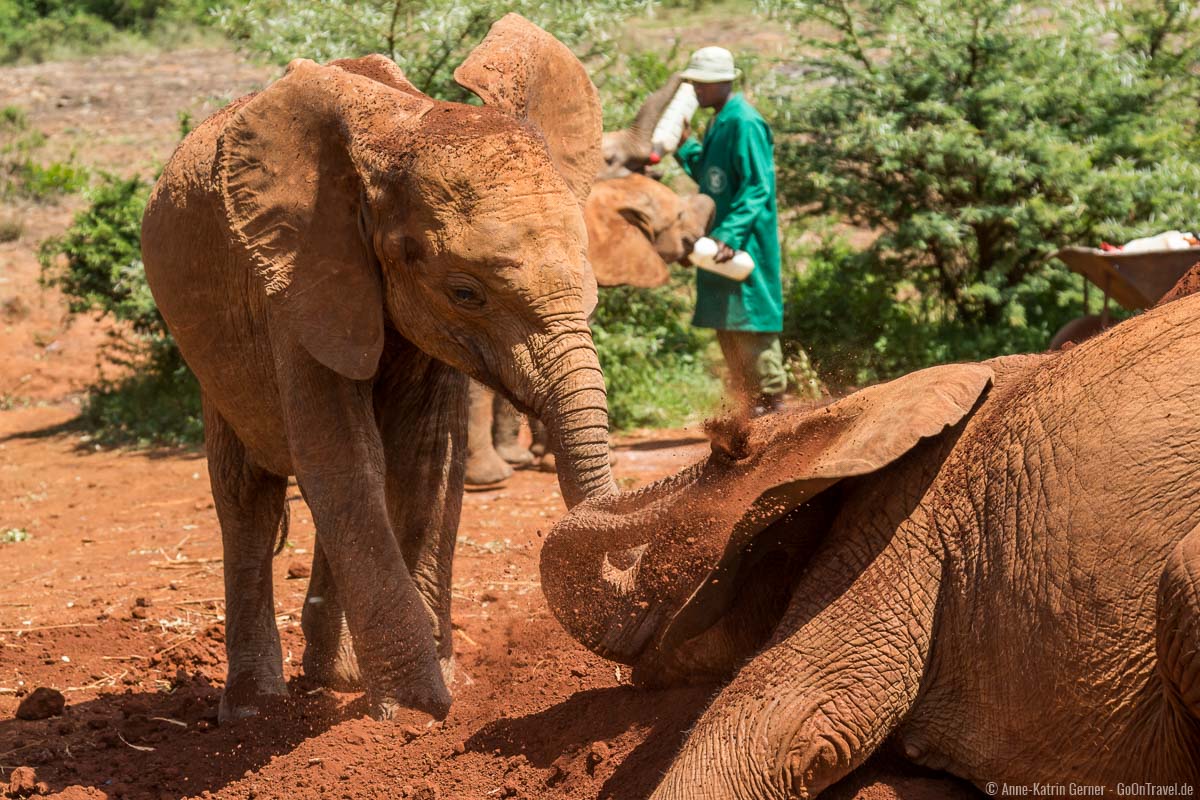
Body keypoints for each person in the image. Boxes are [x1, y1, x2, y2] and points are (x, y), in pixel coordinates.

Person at [675, 46, 785, 417]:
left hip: (744, 240)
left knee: (751, 320)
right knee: (729, 324)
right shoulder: (720, 121)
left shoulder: (744, 122)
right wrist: (685, 147)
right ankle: (748, 408)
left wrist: (730, 233)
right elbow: (713, 179)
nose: (697, 89)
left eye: (704, 83)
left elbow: (757, 186)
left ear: (726, 81)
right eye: (694, 82)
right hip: (723, 239)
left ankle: (770, 407)